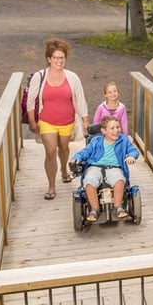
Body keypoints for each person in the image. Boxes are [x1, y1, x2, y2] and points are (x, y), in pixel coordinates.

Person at [26, 38, 89, 200]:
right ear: (49, 59)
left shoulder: (72, 77)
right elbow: (30, 100)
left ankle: (63, 169)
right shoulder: (39, 76)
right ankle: (51, 186)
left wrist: (85, 120)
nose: (59, 61)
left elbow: (80, 99)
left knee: (64, 148)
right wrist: (33, 122)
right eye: (56, 58)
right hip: (47, 121)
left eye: (62, 58)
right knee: (50, 152)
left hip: (67, 121)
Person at [70, 115, 139, 222]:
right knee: (89, 181)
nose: (116, 130)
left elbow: (132, 150)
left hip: (114, 167)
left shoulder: (123, 140)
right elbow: (85, 152)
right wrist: (76, 159)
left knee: (119, 180)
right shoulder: (96, 141)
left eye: (117, 127)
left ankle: (118, 207)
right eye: (112, 128)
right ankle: (94, 209)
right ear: (103, 131)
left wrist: (131, 156)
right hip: (95, 166)